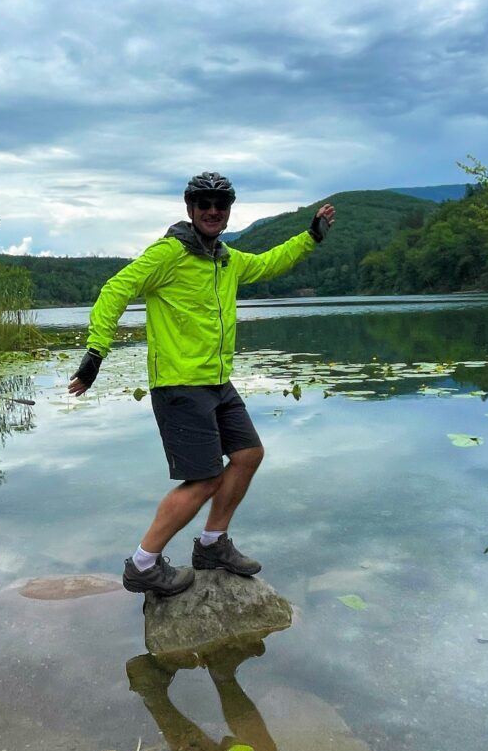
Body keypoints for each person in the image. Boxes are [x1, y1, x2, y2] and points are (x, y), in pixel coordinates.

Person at [68, 171, 335, 596]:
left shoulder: (224, 259)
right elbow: (115, 289)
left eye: (221, 204)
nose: (213, 211)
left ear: (228, 210)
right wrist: (96, 352)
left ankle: (212, 544)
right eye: (204, 204)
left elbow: (268, 264)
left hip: (217, 382)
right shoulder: (169, 254)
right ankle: (143, 564)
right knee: (205, 478)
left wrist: (311, 237)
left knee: (248, 454)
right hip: (179, 384)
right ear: (190, 209)